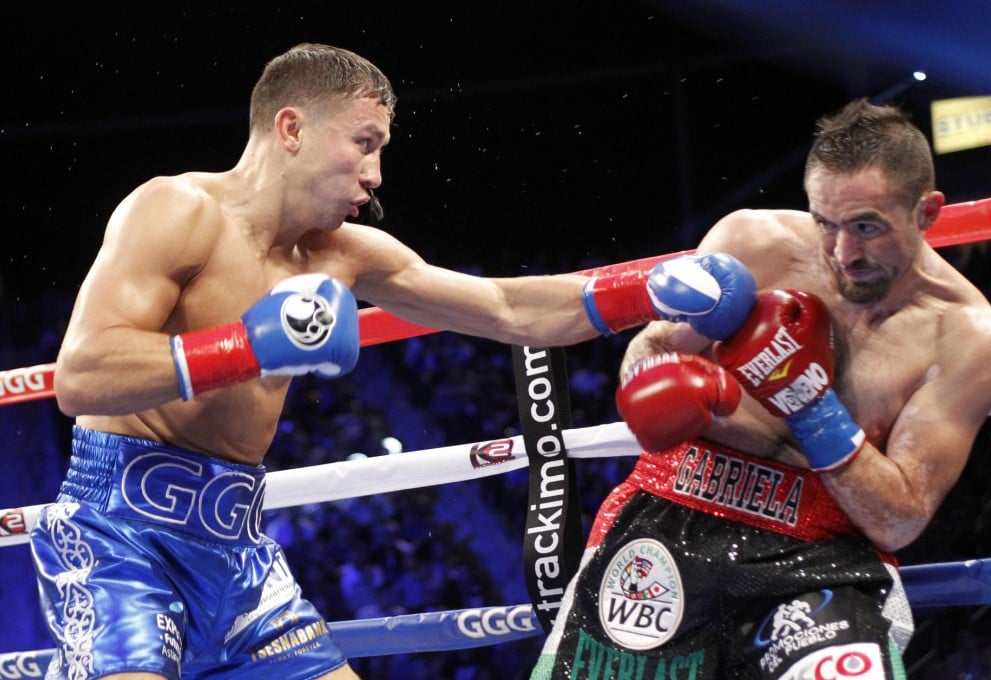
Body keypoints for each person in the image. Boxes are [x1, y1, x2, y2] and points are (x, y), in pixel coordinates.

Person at [29, 43, 755, 680]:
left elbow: (508, 308)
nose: (376, 174)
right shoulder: (175, 209)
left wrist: (647, 289)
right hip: (120, 535)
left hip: (235, 552)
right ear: (291, 128)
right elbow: (82, 375)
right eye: (364, 143)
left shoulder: (345, 254)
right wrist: (246, 348)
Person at [531, 98, 991, 679]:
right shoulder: (755, 241)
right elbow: (651, 349)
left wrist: (809, 405)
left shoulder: (968, 336)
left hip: (820, 558)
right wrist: (673, 387)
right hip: (672, 509)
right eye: (825, 223)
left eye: (866, 227)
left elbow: (898, 521)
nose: (842, 253)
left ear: (927, 211)